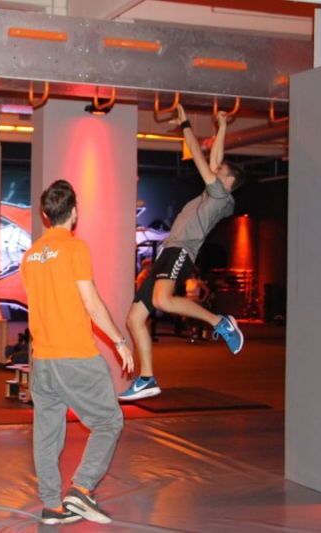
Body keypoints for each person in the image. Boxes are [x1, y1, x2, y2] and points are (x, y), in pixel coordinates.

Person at [21, 180, 134, 525]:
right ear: (74, 212)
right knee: (109, 422)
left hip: (42, 360)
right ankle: (82, 489)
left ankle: (51, 506)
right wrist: (119, 340)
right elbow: (91, 302)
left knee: (46, 434)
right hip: (75, 356)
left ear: (45, 215)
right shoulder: (74, 248)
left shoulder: (30, 256)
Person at [119, 105, 245, 401]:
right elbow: (216, 160)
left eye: (219, 172)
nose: (214, 169)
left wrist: (186, 124)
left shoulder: (220, 196)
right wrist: (222, 127)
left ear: (227, 182)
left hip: (181, 252)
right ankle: (147, 379)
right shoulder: (214, 191)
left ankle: (219, 322)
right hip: (167, 253)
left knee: (162, 300)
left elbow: (203, 160)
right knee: (134, 318)